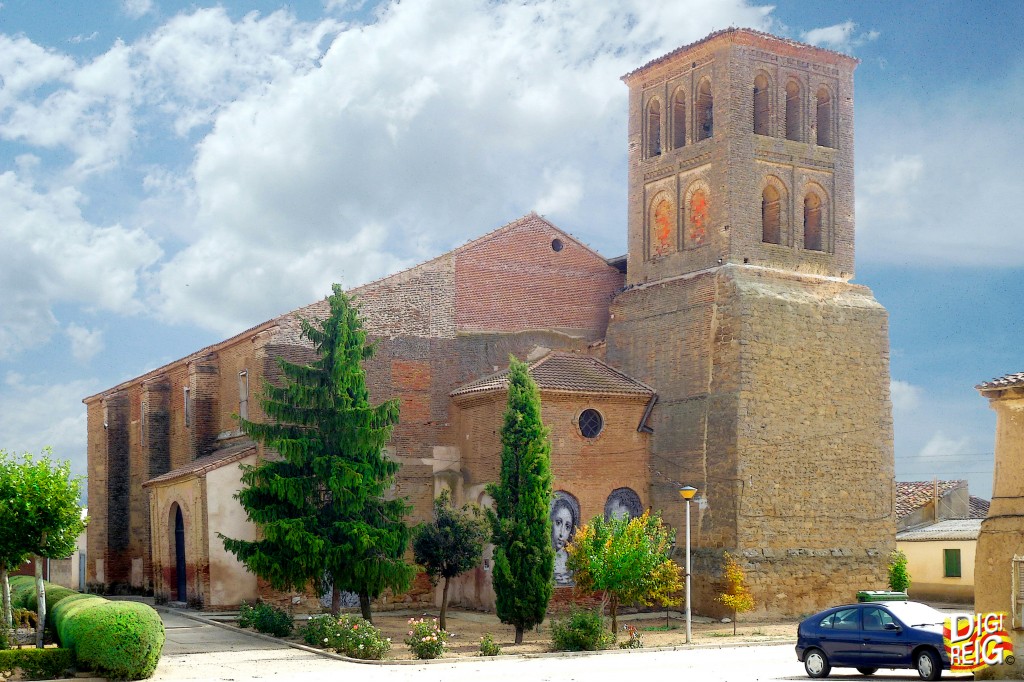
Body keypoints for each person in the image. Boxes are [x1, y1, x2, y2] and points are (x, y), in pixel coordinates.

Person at [550, 497, 577, 585]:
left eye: (567, 526)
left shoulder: (571, 559)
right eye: (558, 523)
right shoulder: (542, 555)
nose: (562, 533)